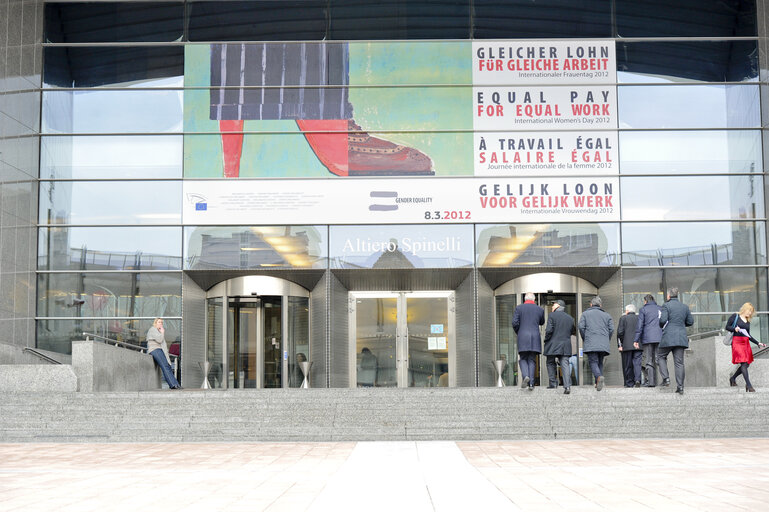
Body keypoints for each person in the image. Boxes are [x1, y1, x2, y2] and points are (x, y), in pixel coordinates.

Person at [657, 287, 694, 395]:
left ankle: (666, 378)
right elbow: (690, 322)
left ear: (668, 296)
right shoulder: (684, 307)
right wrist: (681, 325)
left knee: (660, 356)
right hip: (681, 337)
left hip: (668, 336)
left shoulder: (666, 305)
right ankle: (680, 387)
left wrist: (661, 324)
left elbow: (663, 320)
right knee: (679, 363)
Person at [726, 303, 766, 392]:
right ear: (744, 309)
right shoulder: (735, 316)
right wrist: (734, 329)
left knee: (746, 364)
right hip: (737, 342)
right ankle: (749, 385)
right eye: (749, 311)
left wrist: (758, 343)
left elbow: (748, 335)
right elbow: (727, 327)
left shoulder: (748, 321)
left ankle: (733, 378)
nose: (750, 313)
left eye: (751, 312)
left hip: (745, 343)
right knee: (743, 363)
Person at [578, 296, 614, 391]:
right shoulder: (607, 315)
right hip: (603, 343)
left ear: (591, 304)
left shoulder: (585, 314)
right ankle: (597, 383)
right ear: (600, 305)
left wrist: (585, 338)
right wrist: (607, 339)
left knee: (593, 361)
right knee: (600, 362)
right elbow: (612, 329)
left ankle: (598, 377)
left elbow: (581, 328)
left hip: (591, 342)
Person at [512, 293, 545, 391]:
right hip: (535, 337)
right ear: (534, 300)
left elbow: (514, 323)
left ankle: (526, 375)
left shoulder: (519, 308)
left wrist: (519, 331)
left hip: (523, 337)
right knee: (532, 360)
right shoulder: (539, 309)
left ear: (524, 299)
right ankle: (531, 384)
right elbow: (542, 322)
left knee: (523, 358)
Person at [543, 300, 575, 395]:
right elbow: (571, 331)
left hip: (552, 343)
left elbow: (549, 330)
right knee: (564, 364)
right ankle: (567, 386)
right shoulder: (570, 318)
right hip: (565, 344)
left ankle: (553, 383)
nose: (552, 306)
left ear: (559, 306)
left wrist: (546, 339)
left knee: (550, 362)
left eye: (554, 304)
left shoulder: (552, 315)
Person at [634, 294, 663, 387]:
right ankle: (665, 379)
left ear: (645, 301)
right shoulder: (660, 308)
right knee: (659, 359)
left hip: (648, 338)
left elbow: (640, 326)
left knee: (649, 360)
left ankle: (651, 382)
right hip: (659, 337)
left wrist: (636, 340)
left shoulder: (643, 309)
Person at [146, 318, 182, 390]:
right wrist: (162, 332)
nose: (161, 324)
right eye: (159, 322)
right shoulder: (153, 329)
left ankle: (176, 384)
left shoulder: (158, 331)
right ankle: (173, 385)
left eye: (162, 322)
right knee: (165, 366)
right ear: (155, 323)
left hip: (159, 350)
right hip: (155, 350)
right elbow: (159, 340)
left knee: (168, 366)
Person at [617, 304, 642, 387]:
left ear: (627, 311)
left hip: (627, 346)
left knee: (628, 365)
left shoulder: (623, 318)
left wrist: (621, 343)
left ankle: (630, 382)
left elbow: (620, 332)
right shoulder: (639, 318)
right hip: (638, 345)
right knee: (637, 363)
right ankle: (638, 379)